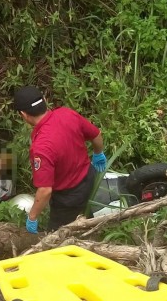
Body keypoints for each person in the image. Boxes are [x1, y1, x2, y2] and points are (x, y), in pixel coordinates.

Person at [13, 86, 107, 233]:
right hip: (89, 177)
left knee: (56, 238)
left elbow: (45, 190)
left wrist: (32, 217)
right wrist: (98, 153)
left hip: (68, 197)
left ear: (24, 115)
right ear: (44, 100)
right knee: (85, 215)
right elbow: (96, 135)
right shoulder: (67, 113)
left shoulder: (41, 147)